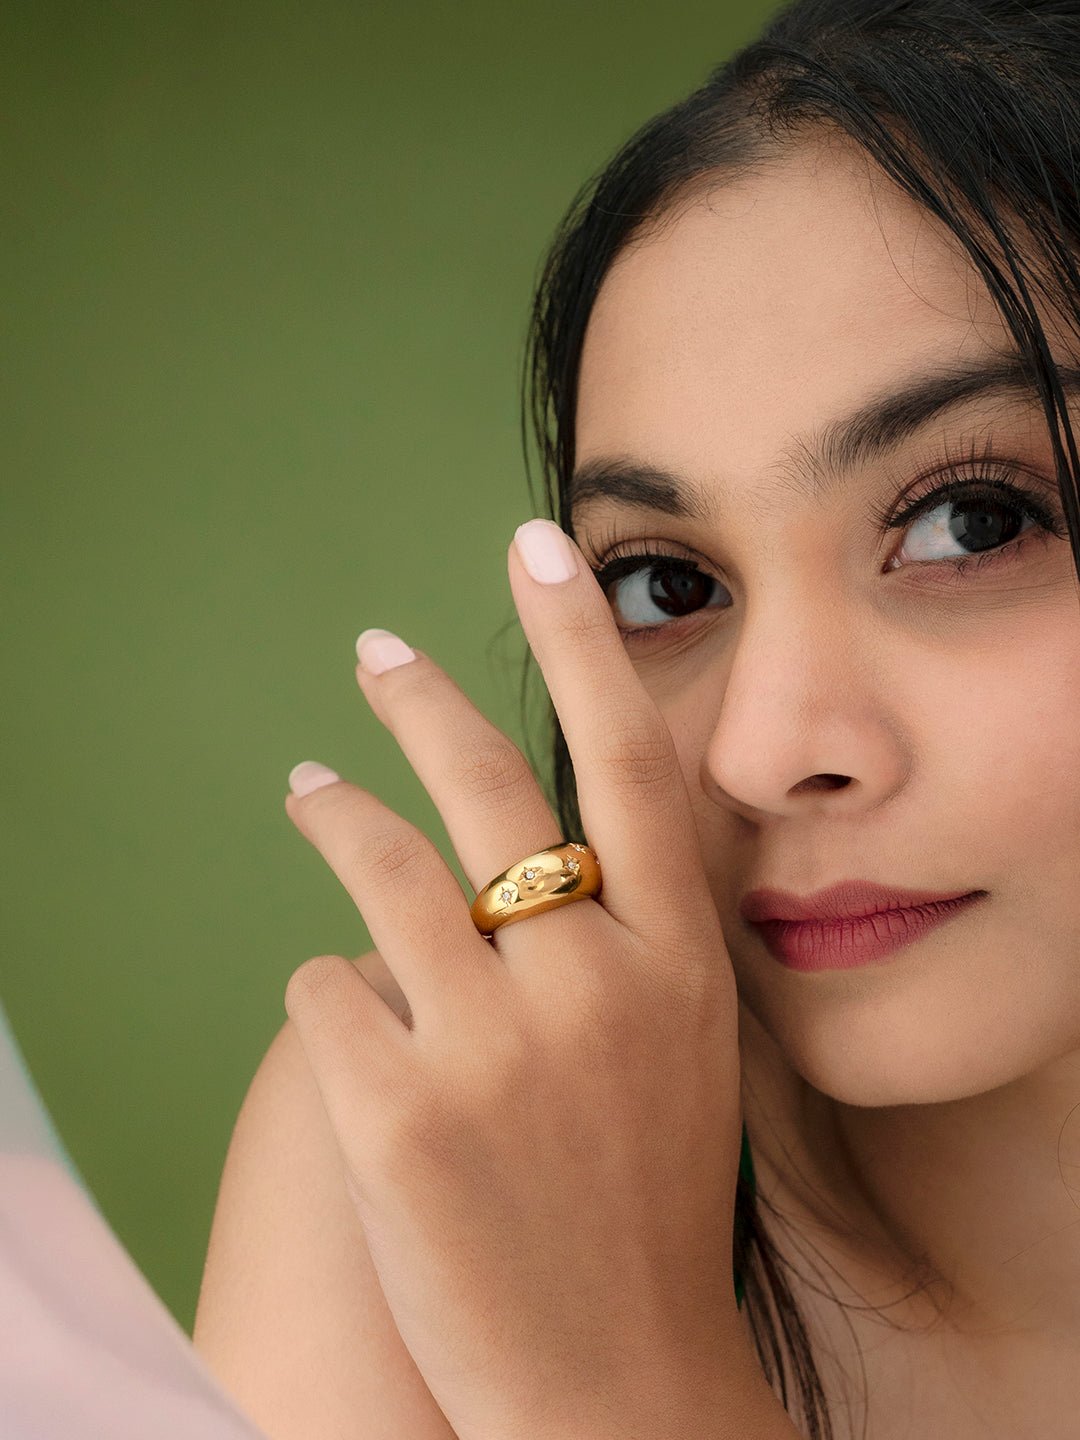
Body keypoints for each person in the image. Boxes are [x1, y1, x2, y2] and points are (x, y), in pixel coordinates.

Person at [193, 2, 1080, 1437]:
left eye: (973, 521)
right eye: (668, 583)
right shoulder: (420, 1134)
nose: (762, 752)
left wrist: (617, 1390)